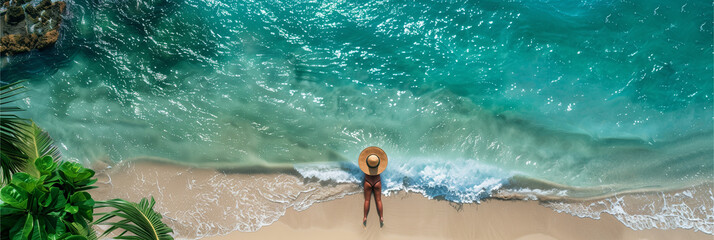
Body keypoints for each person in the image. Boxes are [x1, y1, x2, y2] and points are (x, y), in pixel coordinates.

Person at [358, 146, 388, 227]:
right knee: (378, 200)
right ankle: (381, 217)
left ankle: (364, 217)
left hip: (368, 182)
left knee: (367, 200)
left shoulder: (366, 166)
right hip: (377, 182)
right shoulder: (378, 166)